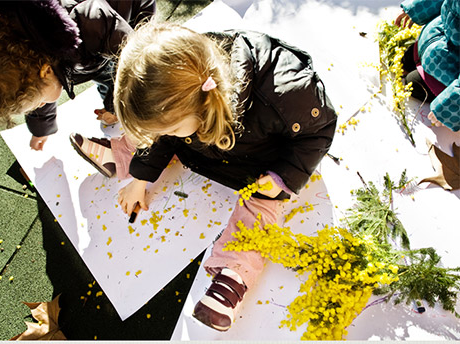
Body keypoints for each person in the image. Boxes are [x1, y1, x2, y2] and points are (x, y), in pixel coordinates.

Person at [71, 21, 337, 331]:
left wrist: (282, 177)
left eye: (170, 127)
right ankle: (123, 157)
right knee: (155, 133)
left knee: (263, 205)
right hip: (203, 144)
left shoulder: (288, 94)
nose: (164, 133)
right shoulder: (179, 86)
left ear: (201, 105)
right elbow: (164, 134)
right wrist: (140, 178)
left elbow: (319, 131)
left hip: (261, 159)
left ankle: (234, 271)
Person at [0, 0, 155, 150]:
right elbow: (36, 92)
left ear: (45, 71)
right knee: (104, 77)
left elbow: (132, 63)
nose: (39, 106)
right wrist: (42, 128)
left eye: (37, 104)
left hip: (130, 16)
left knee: (138, 76)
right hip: (90, 53)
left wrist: (117, 105)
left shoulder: (88, 22)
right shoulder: (31, 63)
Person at [395, 0, 460, 132]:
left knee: (411, 84)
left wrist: (449, 107)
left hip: (451, 71)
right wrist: (417, 8)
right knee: (405, 62)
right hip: (439, 36)